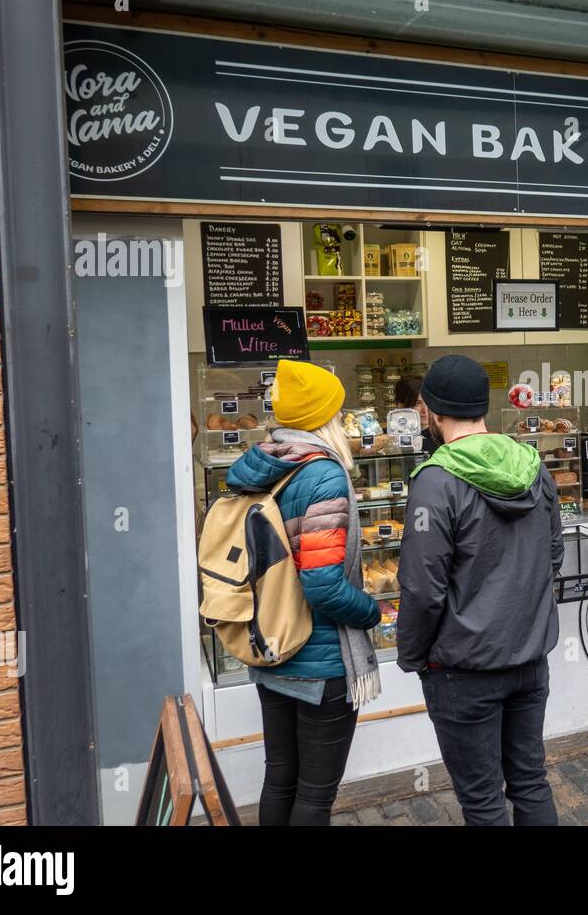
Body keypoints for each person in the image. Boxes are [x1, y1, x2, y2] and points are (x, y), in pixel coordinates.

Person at [397, 354, 562, 825]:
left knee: (483, 799)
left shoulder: (434, 481)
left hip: (463, 667)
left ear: (430, 410)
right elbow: (553, 554)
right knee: (530, 781)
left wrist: (413, 655)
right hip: (530, 661)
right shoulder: (533, 464)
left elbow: (422, 587)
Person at [225, 359, 381, 826]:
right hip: (321, 661)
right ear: (324, 416)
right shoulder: (323, 476)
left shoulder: (264, 464)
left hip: (271, 645)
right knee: (314, 796)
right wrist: (372, 611)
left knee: (279, 781)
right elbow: (323, 584)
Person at [393, 372, 440, 454]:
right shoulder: (390, 438)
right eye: (417, 403)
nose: (424, 409)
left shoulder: (443, 436)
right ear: (400, 406)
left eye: (427, 402)